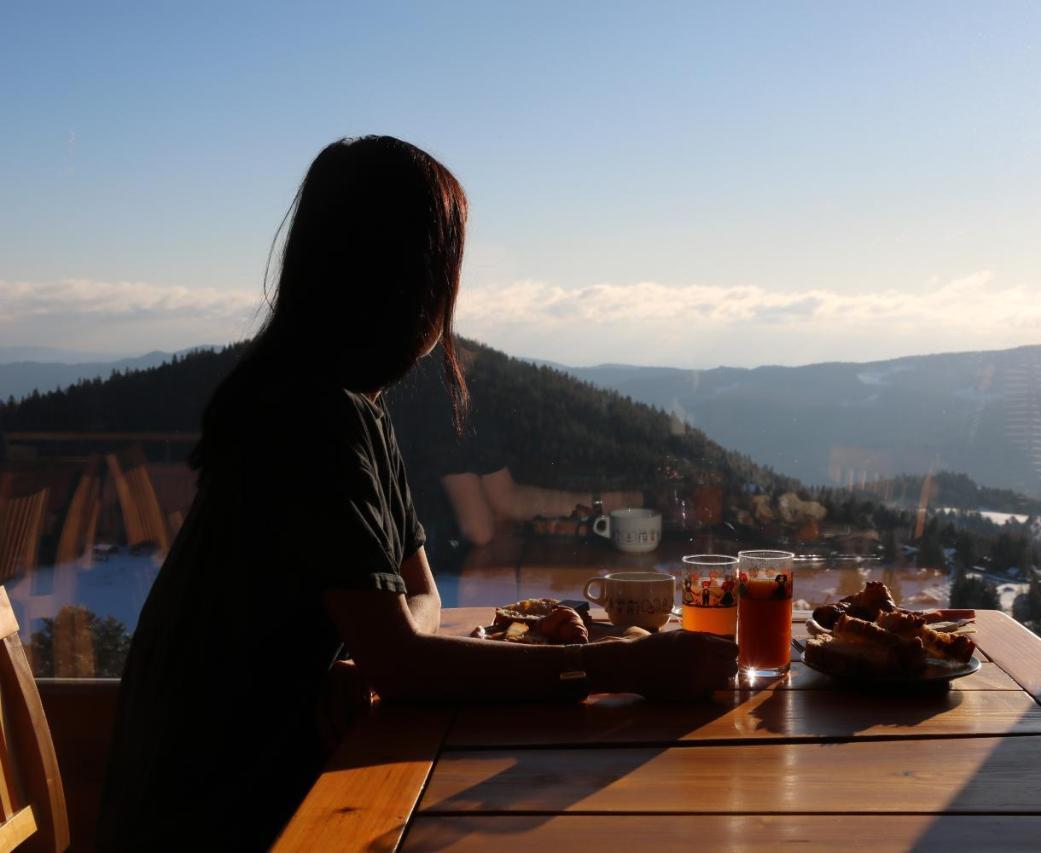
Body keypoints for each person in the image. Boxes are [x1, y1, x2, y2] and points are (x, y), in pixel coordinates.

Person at [98, 136, 738, 851]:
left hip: (238, 794)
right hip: (219, 818)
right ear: (413, 280)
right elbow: (406, 660)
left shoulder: (351, 411)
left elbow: (420, 604)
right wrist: (624, 667)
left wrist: (364, 651)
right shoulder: (310, 418)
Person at [403, 346, 642, 571]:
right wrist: (622, 501)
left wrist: (613, 502)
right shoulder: (444, 392)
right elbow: (479, 528)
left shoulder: (467, 395)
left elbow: (505, 498)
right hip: (426, 568)